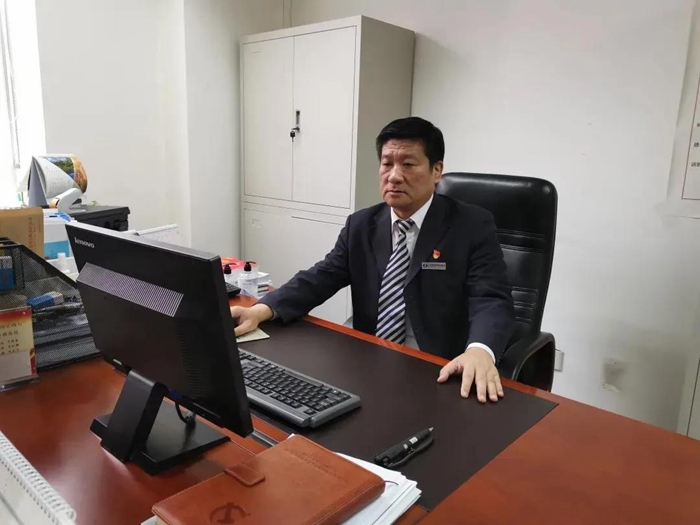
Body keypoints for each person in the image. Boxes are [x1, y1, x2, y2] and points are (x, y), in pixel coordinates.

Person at [231, 117, 515, 403]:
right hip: (368, 363)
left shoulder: (470, 225)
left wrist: (480, 350)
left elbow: (491, 298)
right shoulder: (362, 224)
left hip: (438, 368)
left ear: (436, 170)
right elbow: (320, 277)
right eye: (387, 163)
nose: (394, 176)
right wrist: (262, 309)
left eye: (408, 164)